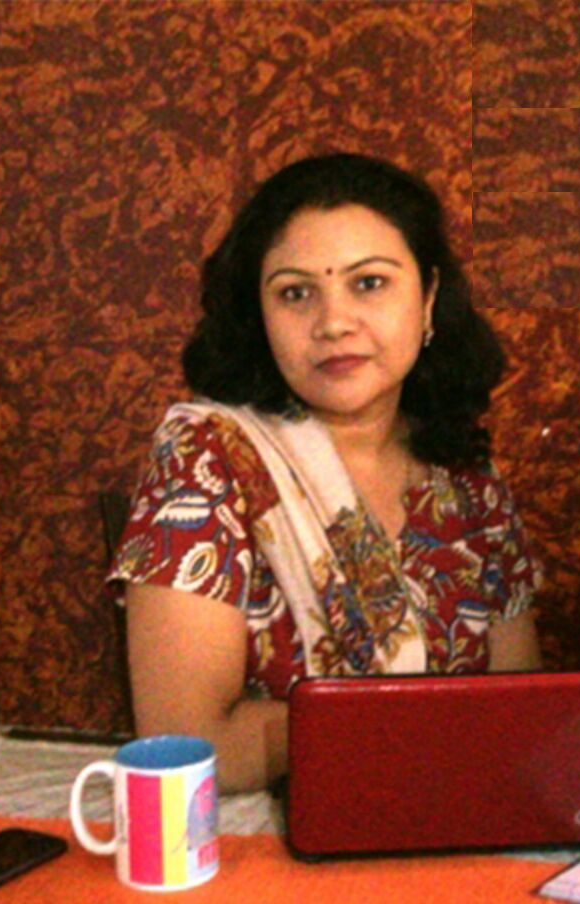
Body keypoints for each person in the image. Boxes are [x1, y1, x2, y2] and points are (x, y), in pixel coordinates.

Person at [110, 154, 543, 792]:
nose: (333, 322)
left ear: (427, 301)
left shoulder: (466, 479)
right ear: (260, 318)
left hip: (455, 822)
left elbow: (523, 712)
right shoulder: (210, 459)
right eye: (295, 292)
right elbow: (186, 743)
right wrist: (414, 728)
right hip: (266, 847)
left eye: (369, 283)